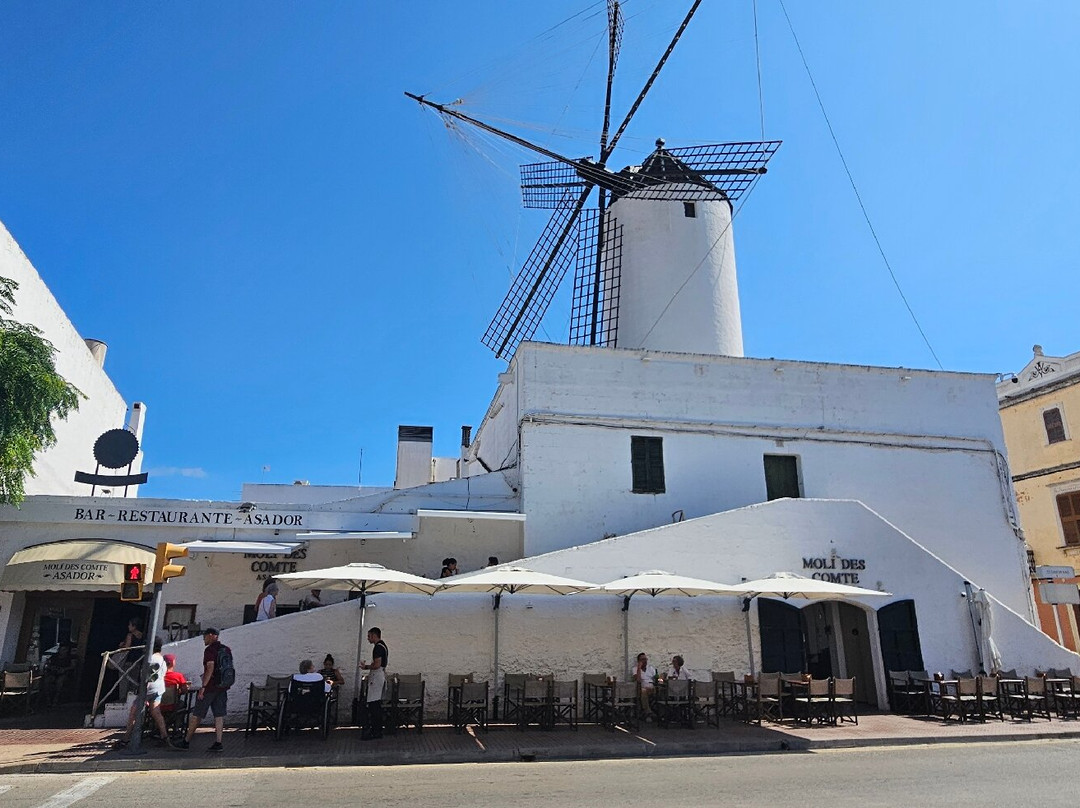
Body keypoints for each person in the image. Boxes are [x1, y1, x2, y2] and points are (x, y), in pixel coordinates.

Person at [176, 627, 231, 752]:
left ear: (211, 635)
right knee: (219, 715)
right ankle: (218, 742)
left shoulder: (210, 650)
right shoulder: (226, 649)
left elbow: (210, 667)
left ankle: (186, 741)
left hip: (210, 687)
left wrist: (204, 686)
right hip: (222, 686)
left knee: (198, 714)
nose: (203, 639)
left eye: (204, 636)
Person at [114, 637, 171, 749]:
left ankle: (126, 739)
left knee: (133, 712)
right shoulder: (162, 659)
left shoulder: (151, 658)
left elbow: (148, 675)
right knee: (156, 713)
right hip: (158, 689)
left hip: (147, 690)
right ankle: (164, 736)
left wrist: (142, 690)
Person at [358, 627, 388, 740]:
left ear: (374, 635)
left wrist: (365, 667)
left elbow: (377, 665)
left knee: (374, 704)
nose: (368, 638)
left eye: (369, 636)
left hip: (377, 676)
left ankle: (376, 730)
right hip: (380, 675)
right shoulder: (383, 646)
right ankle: (377, 730)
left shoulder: (378, 648)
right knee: (375, 704)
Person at [40, 642, 77, 707]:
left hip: (64, 674)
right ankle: (48, 700)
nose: (62, 651)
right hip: (53, 673)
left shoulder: (70, 657)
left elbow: (73, 666)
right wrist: (51, 667)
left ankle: (56, 699)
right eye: (61, 649)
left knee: (59, 682)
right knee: (46, 681)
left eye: (64, 650)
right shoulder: (54, 656)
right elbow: (48, 664)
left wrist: (64, 669)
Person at [116, 617, 145, 700]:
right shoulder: (143, 636)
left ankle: (123, 699)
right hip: (137, 662)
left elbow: (127, 648)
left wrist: (121, 645)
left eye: (130, 625)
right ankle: (131, 699)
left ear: (134, 626)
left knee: (124, 681)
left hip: (128, 661)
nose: (128, 626)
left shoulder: (130, 635)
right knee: (134, 681)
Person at [631, 652, 657, 719]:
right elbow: (638, 680)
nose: (645, 661)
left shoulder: (651, 668)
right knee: (643, 692)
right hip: (641, 688)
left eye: (645, 659)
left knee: (663, 690)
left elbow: (656, 679)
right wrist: (639, 668)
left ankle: (662, 714)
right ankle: (648, 712)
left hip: (652, 687)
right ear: (639, 661)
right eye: (642, 659)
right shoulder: (635, 669)